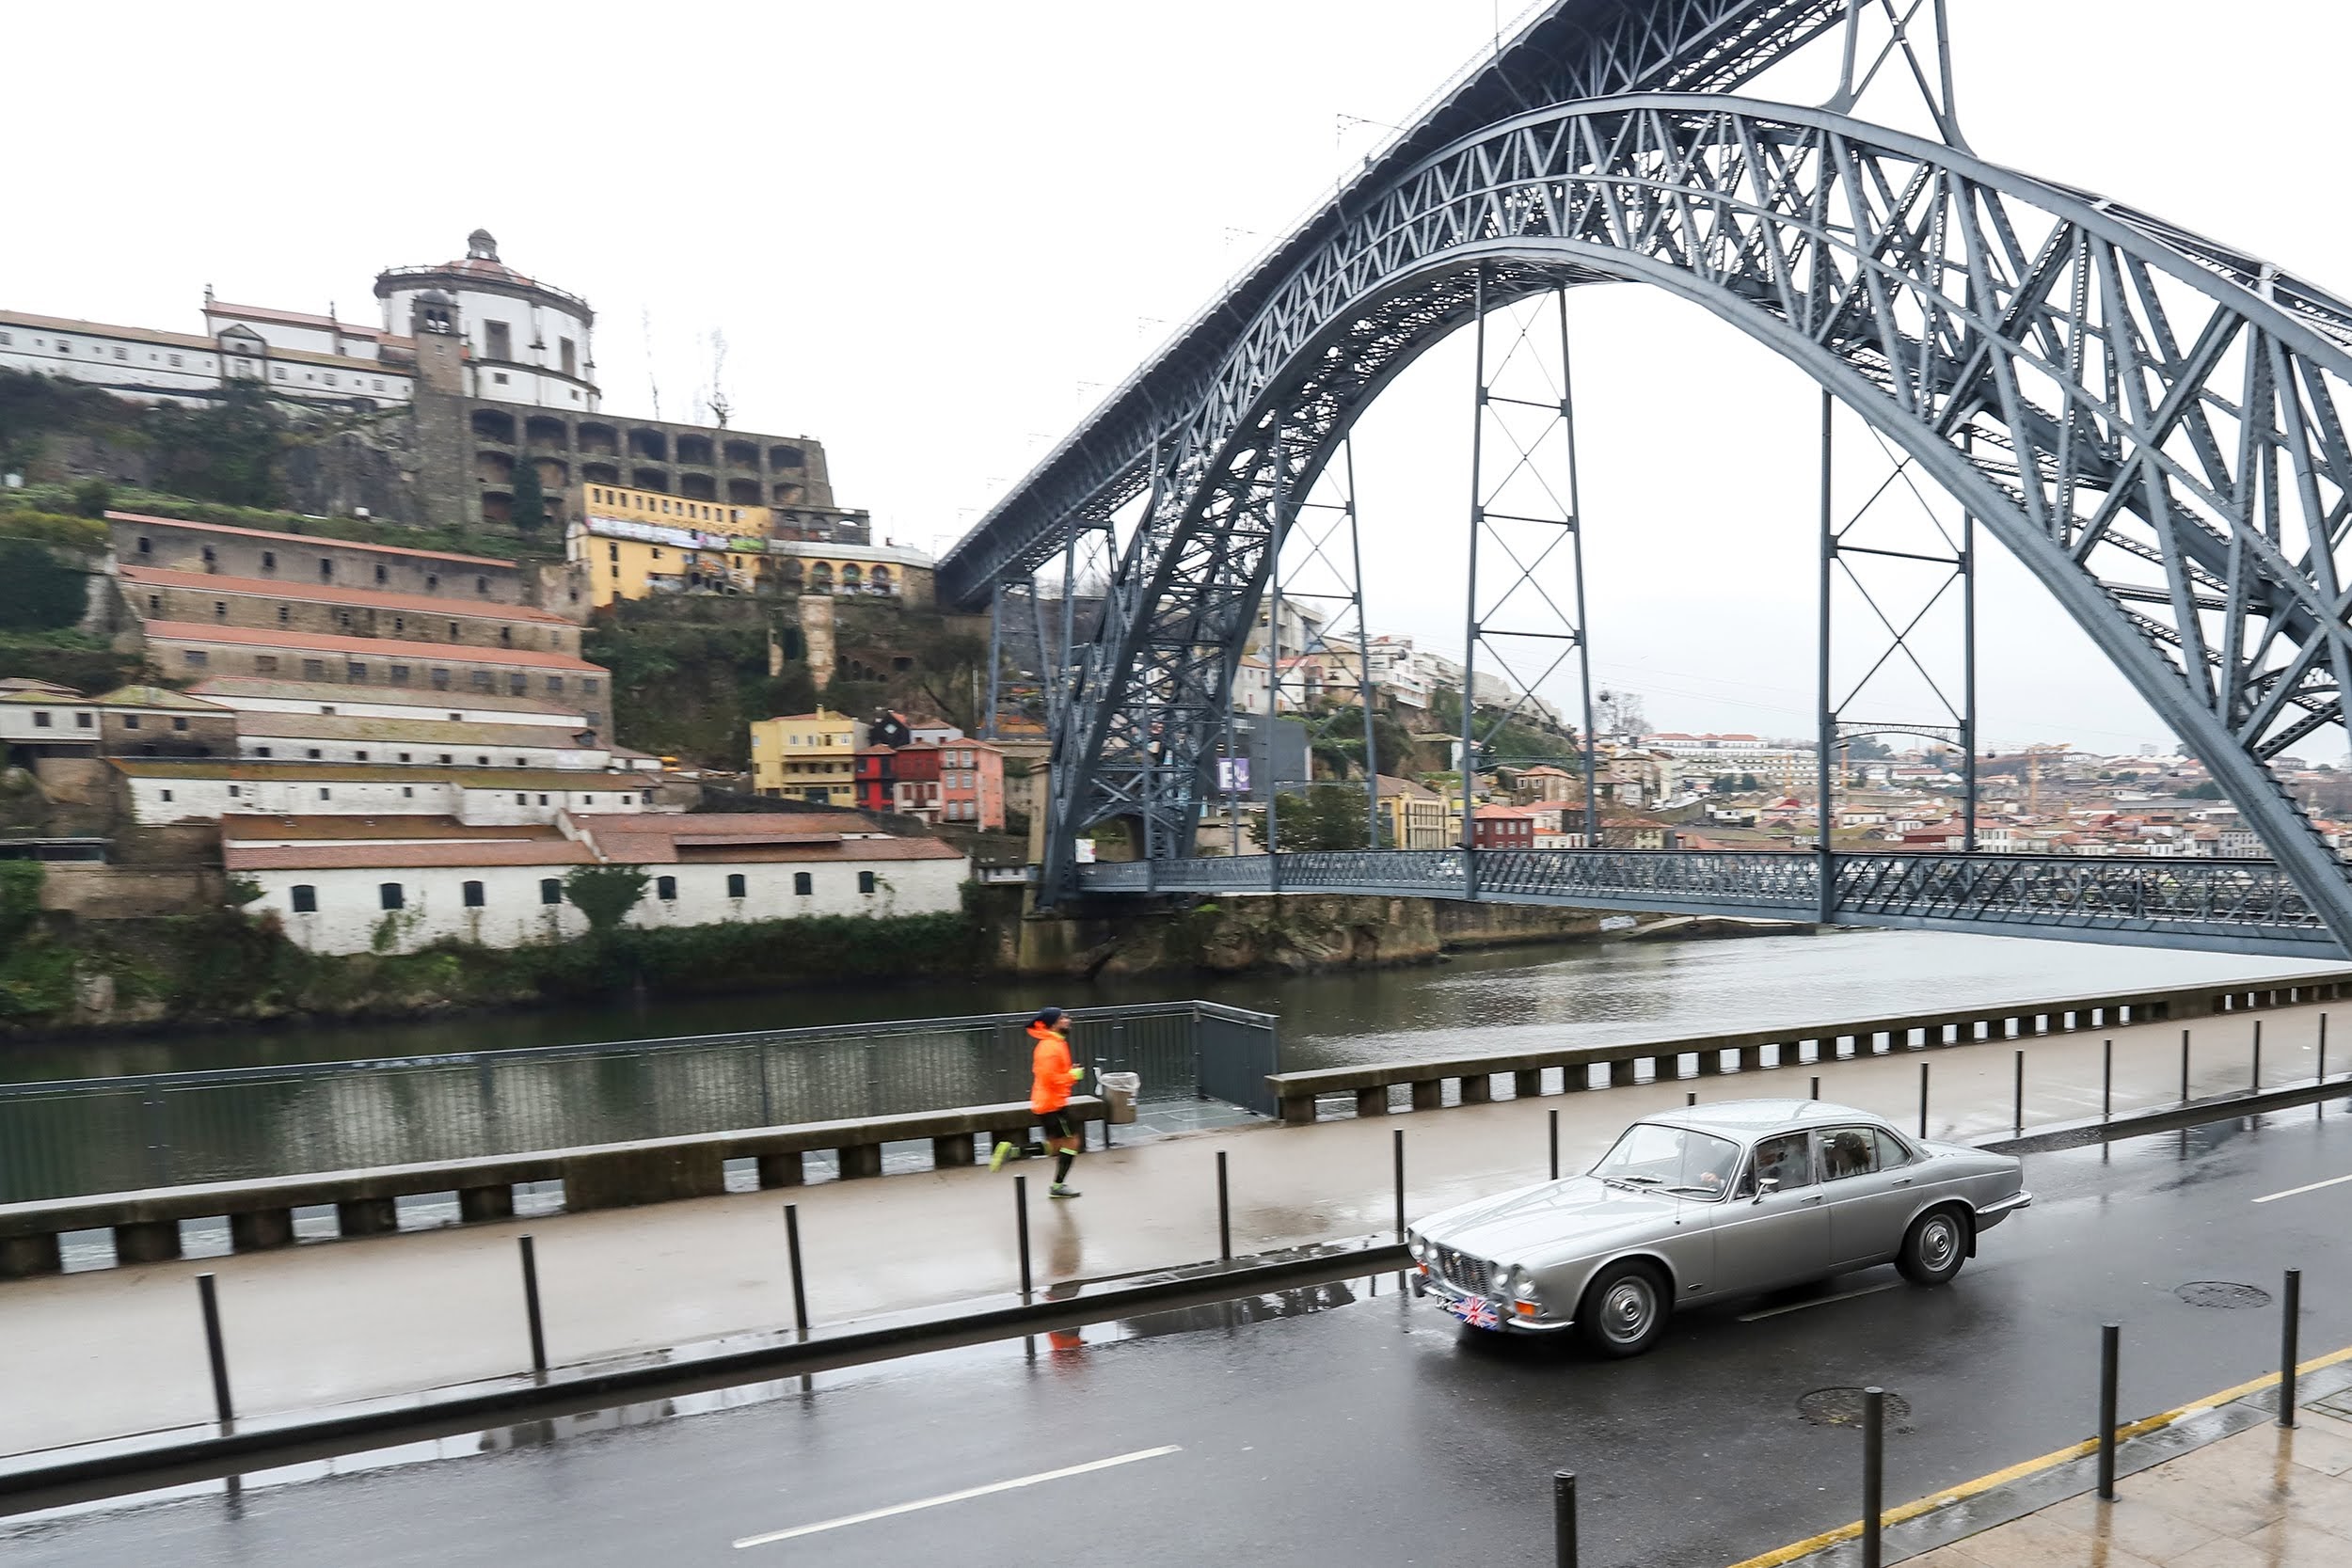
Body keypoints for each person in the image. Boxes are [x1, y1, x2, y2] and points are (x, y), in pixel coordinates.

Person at [990, 1007, 1087, 1197]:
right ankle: (1055, 1185)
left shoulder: (1055, 1043)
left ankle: (1016, 1153)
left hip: (1048, 1103)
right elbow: (1048, 1077)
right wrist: (1071, 1075)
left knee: (1056, 1145)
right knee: (1072, 1142)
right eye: (1063, 1018)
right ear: (1053, 1024)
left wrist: (1071, 1074)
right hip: (1053, 1105)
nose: (1068, 1020)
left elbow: (1054, 1076)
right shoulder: (1050, 1047)